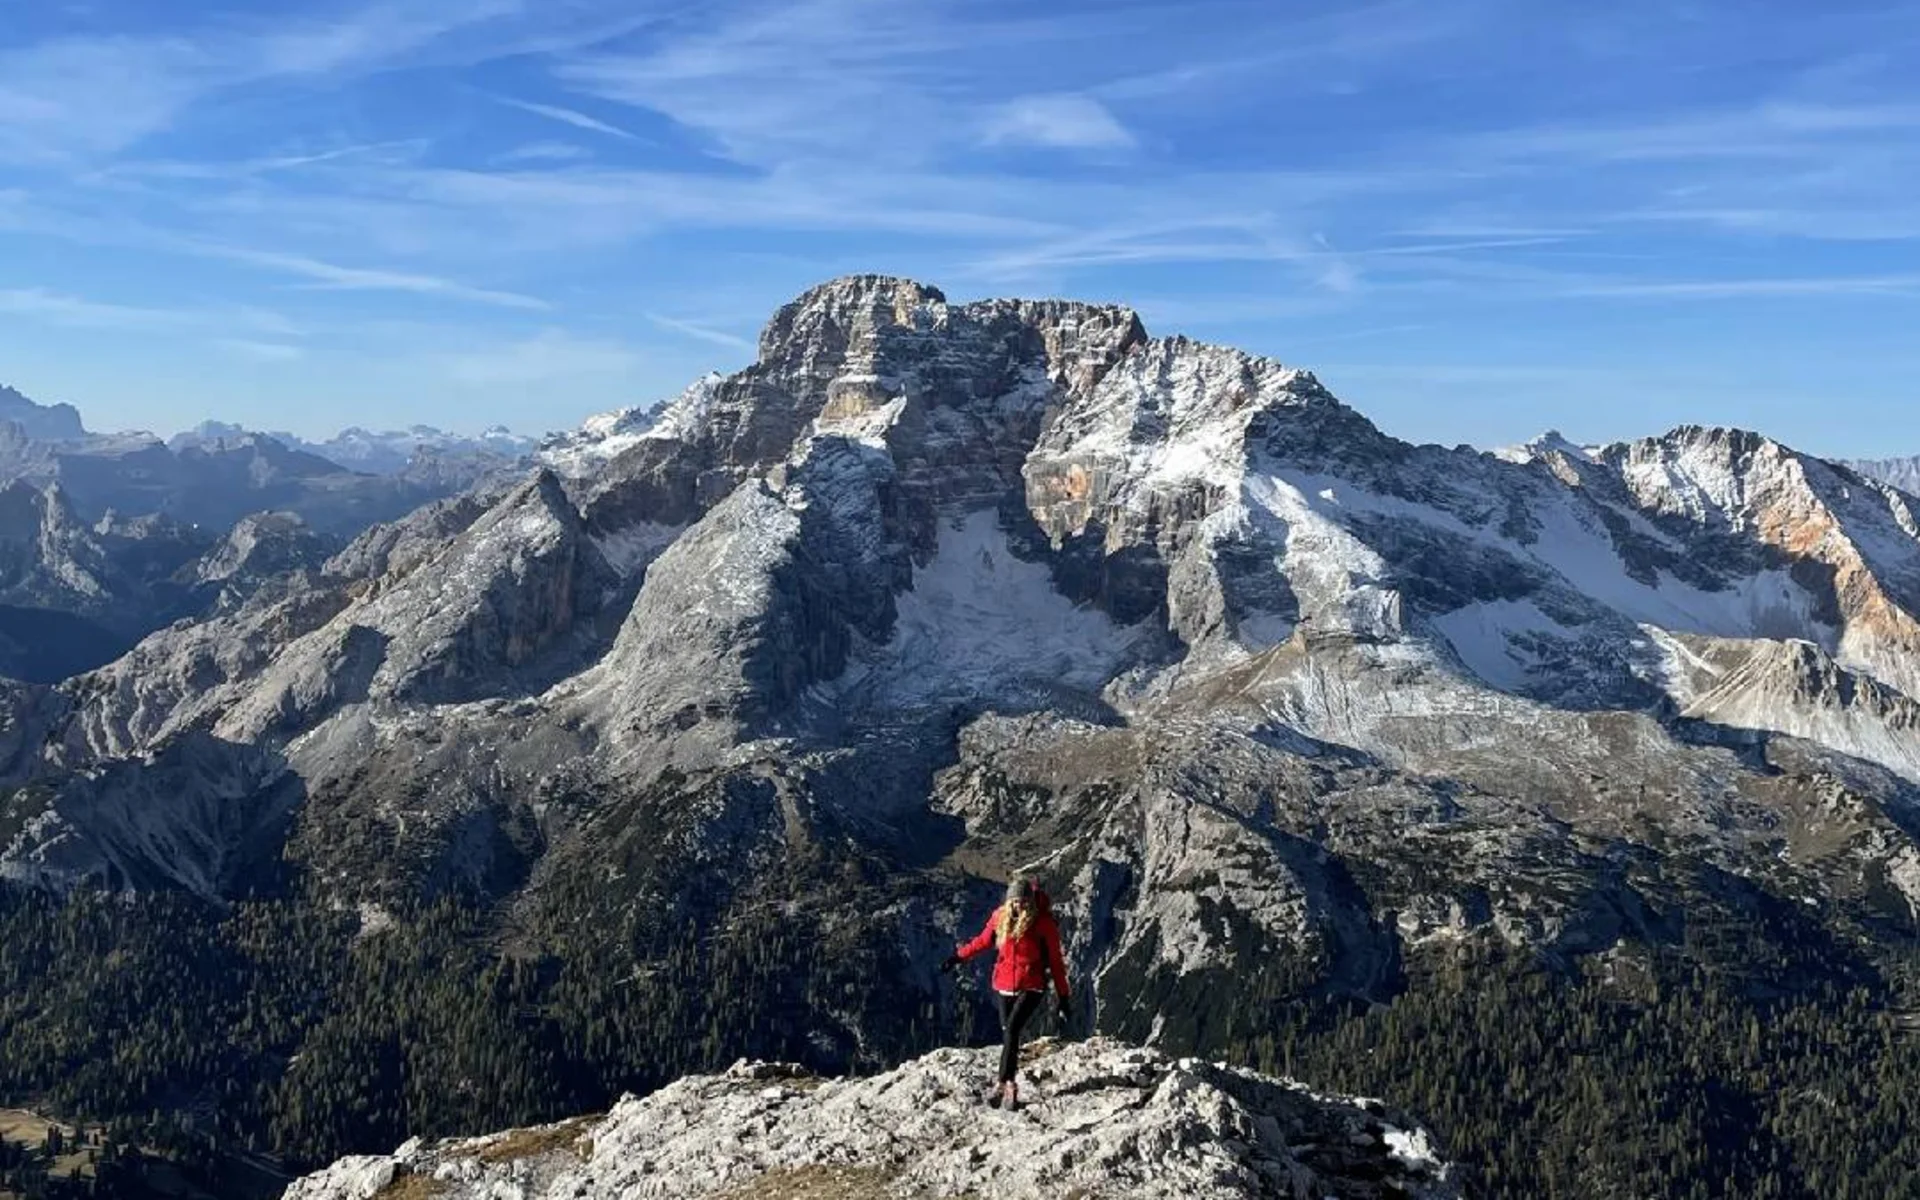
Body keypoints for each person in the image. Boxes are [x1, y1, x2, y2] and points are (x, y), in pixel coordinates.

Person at [941, 877, 1072, 1112]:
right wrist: (958, 957)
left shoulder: (1043, 924)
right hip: (1004, 984)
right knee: (1007, 1032)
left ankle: (1006, 1084)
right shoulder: (1000, 917)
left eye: (1023, 902)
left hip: (1032, 985)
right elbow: (983, 941)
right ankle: (1006, 1081)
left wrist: (1063, 996)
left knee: (1012, 1030)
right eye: (1014, 901)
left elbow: (1055, 962)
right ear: (1009, 901)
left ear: (1030, 902)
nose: (1018, 906)